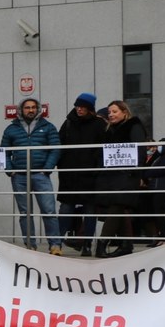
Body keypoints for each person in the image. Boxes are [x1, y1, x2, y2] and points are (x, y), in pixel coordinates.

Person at [0, 98, 62, 252]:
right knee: (25, 213)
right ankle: (30, 246)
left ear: (38, 109)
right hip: (19, 176)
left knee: (49, 210)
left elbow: (56, 148)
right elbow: (4, 152)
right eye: (27, 107)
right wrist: (10, 170)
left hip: (41, 175)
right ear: (21, 110)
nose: (31, 110)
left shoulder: (48, 127)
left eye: (34, 107)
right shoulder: (11, 129)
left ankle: (55, 245)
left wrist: (47, 169)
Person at [94, 101, 149, 258]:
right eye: (109, 112)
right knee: (120, 207)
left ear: (125, 112)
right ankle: (126, 245)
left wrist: (137, 172)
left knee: (116, 206)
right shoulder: (110, 128)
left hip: (127, 174)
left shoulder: (134, 126)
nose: (110, 114)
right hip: (112, 175)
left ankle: (102, 244)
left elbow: (140, 150)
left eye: (114, 111)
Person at [57, 92, 105, 255]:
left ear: (90, 108)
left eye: (83, 107)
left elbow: (102, 150)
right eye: (77, 106)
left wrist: (98, 169)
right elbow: (59, 146)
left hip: (90, 176)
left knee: (90, 212)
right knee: (65, 210)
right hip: (69, 176)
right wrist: (62, 167)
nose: (79, 109)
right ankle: (57, 244)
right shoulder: (68, 123)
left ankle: (86, 245)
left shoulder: (99, 125)